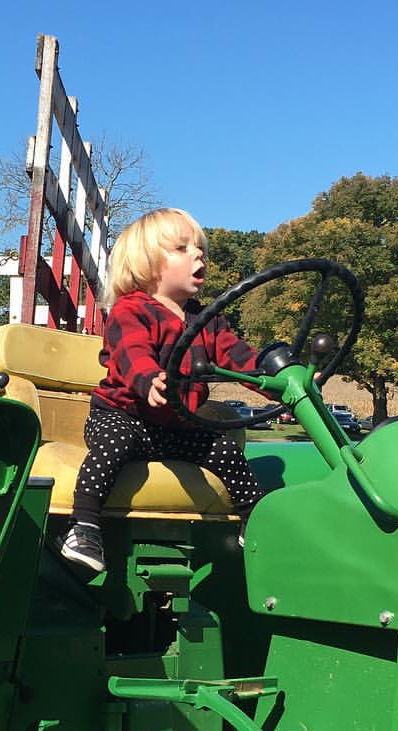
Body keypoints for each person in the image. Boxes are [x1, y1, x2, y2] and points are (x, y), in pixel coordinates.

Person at [59, 208, 264, 573]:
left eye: (200, 248)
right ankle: (85, 528)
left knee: (226, 450)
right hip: (123, 416)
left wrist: (277, 379)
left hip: (175, 427)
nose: (198, 254)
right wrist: (148, 378)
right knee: (113, 447)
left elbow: (238, 355)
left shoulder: (208, 320)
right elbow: (130, 352)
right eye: (182, 248)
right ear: (148, 263)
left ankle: (257, 522)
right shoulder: (130, 311)